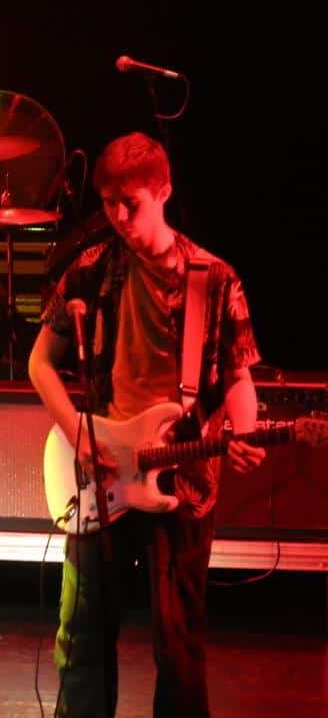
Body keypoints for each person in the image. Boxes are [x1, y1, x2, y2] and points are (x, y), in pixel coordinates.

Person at [28, 132, 266, 717]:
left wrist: (243, 431)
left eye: (131, 204)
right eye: (109, 204)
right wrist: (78, 433)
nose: (118, 217)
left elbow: (238, 376)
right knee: (82, 638)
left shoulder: (214, 278)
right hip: (103, 471)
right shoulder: (90, 270)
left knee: (179, 645)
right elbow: (40, 363)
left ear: (163, 192)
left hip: (183, 481)